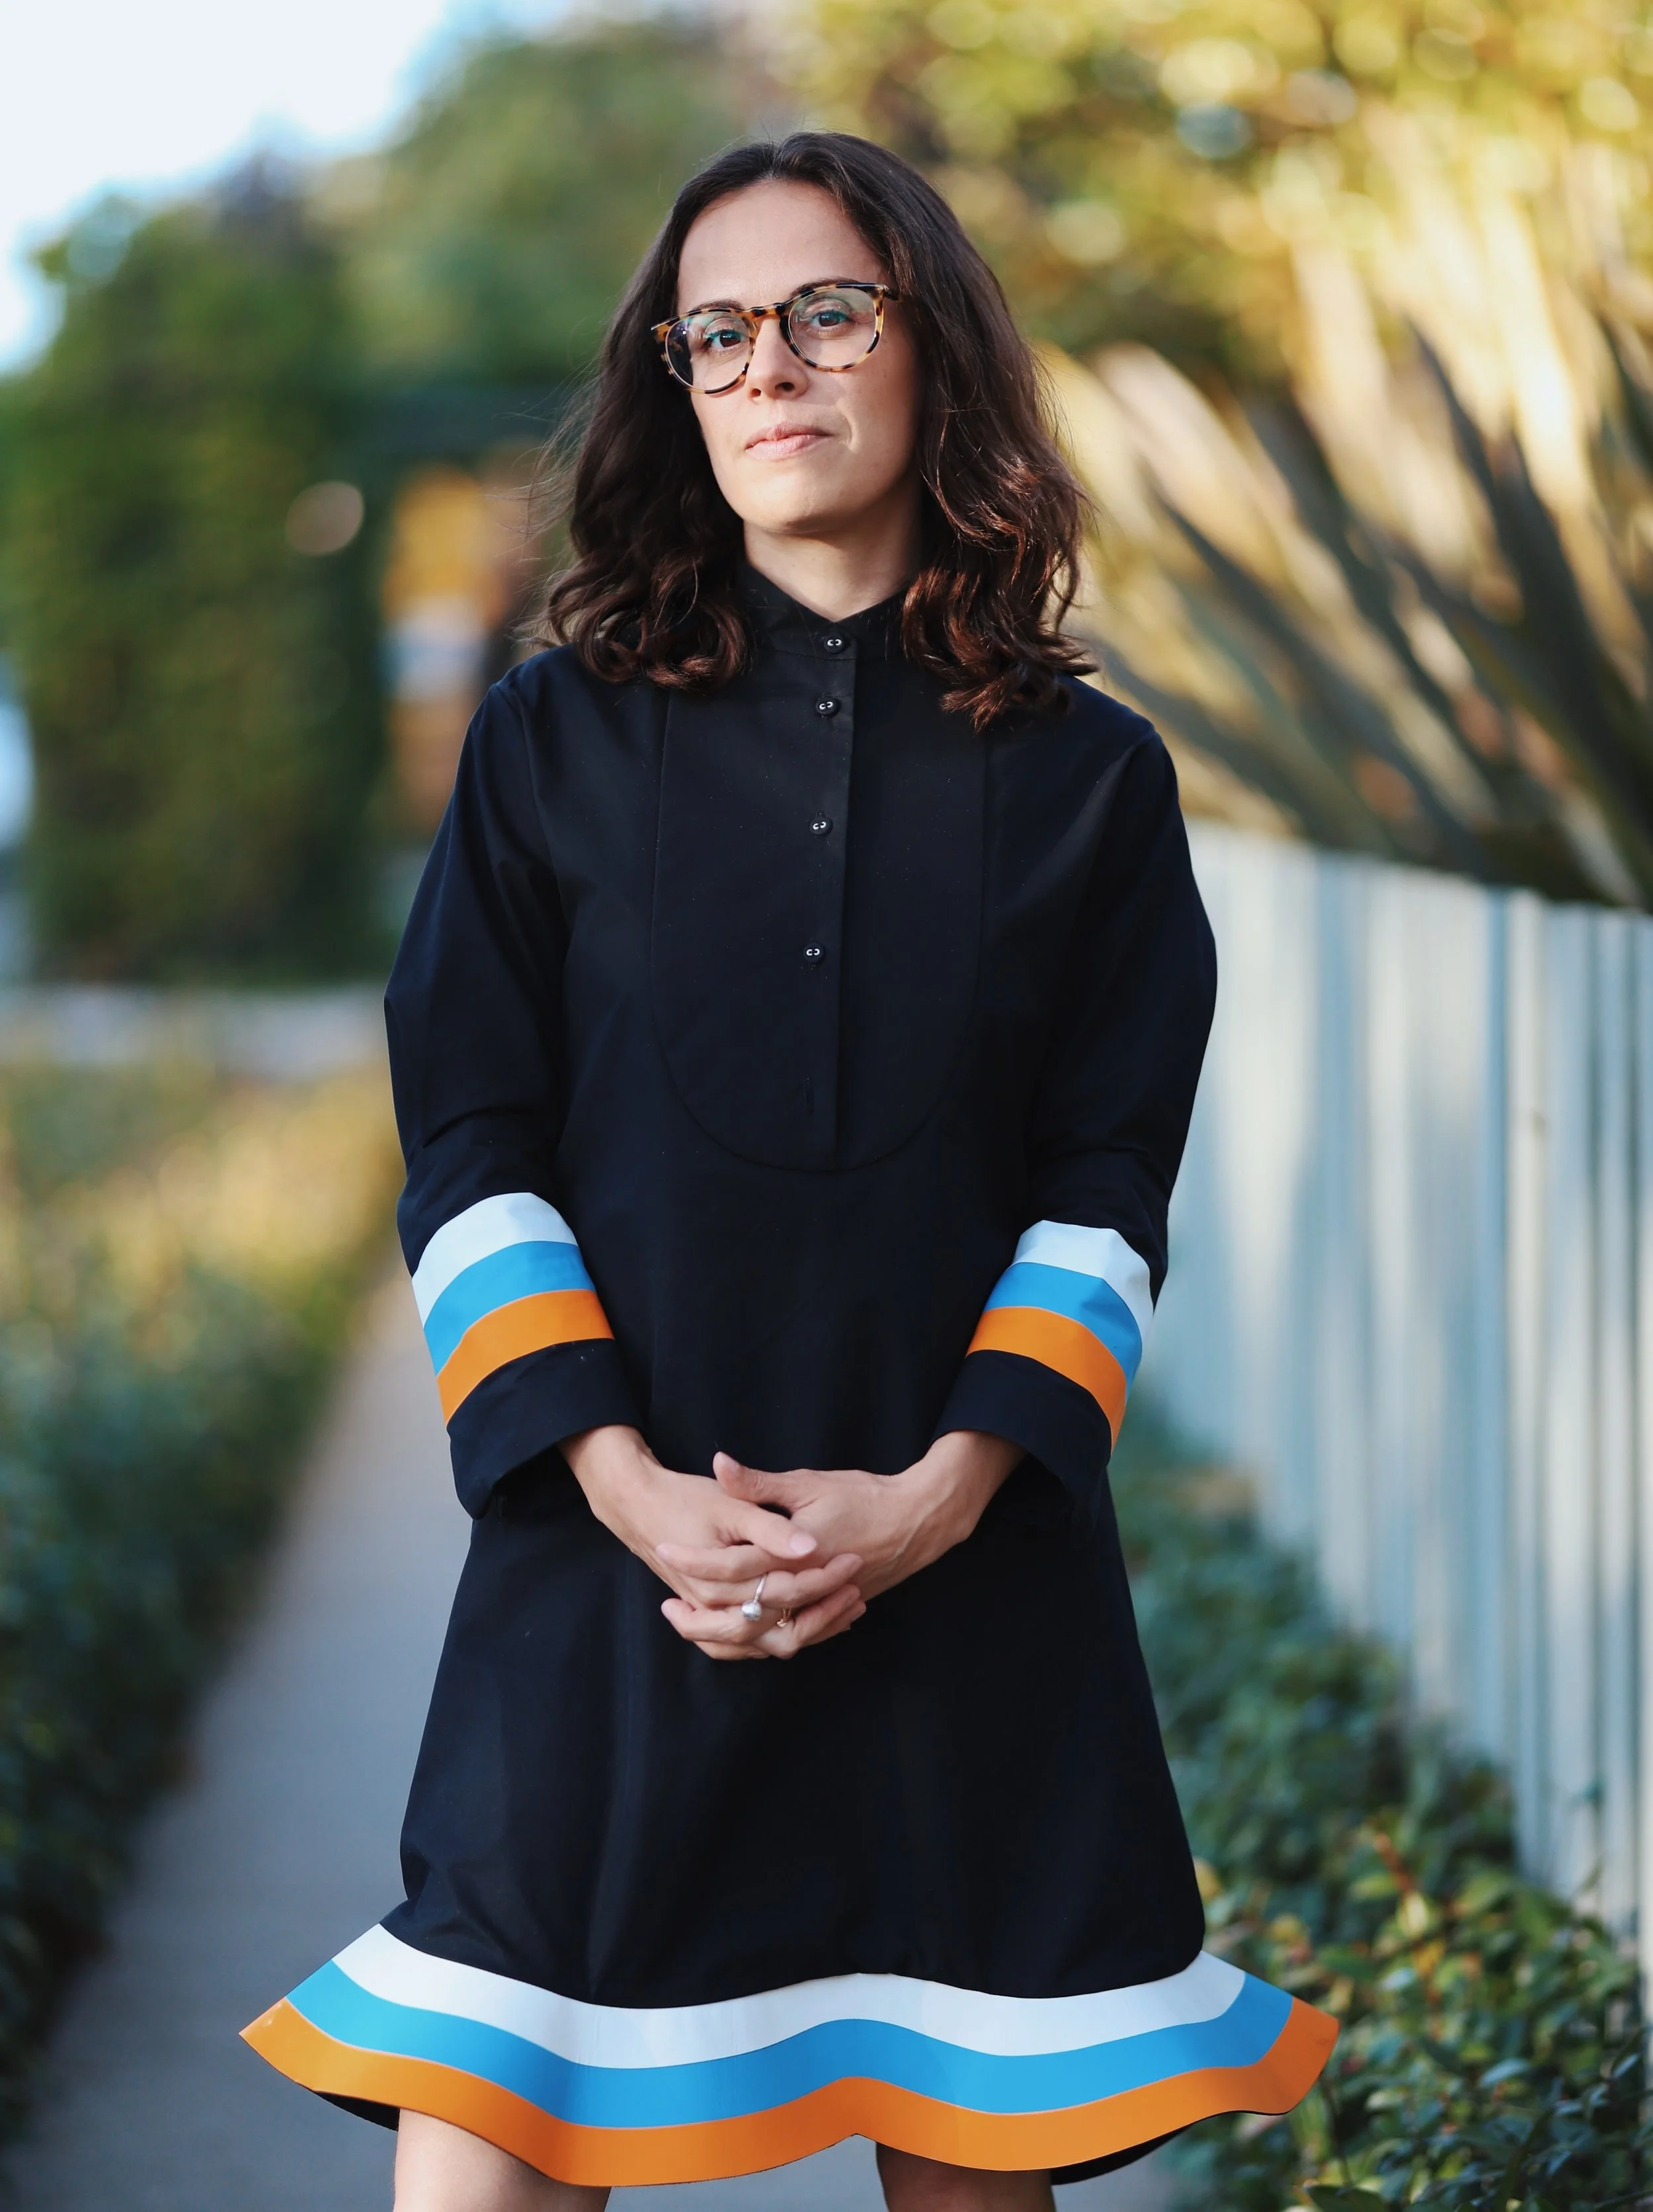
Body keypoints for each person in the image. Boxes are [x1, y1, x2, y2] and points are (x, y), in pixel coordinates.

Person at [245, 130, 1335, 2212]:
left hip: (964, 1580)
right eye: (714, 331)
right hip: (607, 1564)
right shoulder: (546, 737)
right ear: (673, 378)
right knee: (476, 2155)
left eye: (825, 311)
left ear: (931, 350)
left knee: (967, 2159)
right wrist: (620, 1479)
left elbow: (1106, 1185)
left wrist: (934, 1503)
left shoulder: (1095, 778)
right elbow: (465, 1132)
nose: (765, 367)